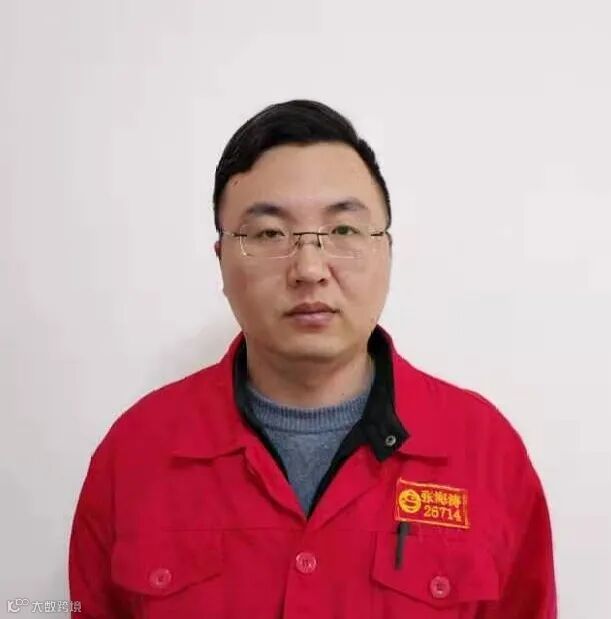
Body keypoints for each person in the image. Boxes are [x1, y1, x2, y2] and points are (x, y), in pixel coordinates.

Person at [68, 99, 557, 618]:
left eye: (342, 231)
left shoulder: (484, 453)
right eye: (269, 234)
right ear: (222, 260)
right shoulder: (136, 454)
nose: (309, 269)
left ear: (387, 252)